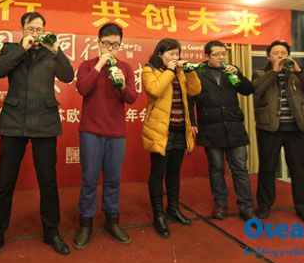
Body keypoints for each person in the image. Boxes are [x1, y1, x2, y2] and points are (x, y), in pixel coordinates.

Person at [0, 12, 75, 263]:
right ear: (22, 29)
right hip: (14, 122)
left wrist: (56, 51)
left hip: (45, 122)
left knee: (48, 181)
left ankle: (52, 232)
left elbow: (68, 76)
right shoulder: (11, 49)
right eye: (31, 28)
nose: (35, 33)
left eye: (39, 29)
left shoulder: (51, 51)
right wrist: (23, 47)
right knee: (5, 181)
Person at [73, 23, 137, 249]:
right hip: (90, 131)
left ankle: (112, 221)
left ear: (120, 45)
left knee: (113, 179)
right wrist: (100, 64)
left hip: (116, 132)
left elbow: (132, 98)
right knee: (89, 179)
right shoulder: (87, 65)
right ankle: (86, 223)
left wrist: (121, 83)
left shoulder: (125, 68)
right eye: (106, 43)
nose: (111, 48)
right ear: (98, 42)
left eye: (115, 44)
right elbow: (82, 89)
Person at [252, 40, 304, 226]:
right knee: (267, 168)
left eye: (283, 53)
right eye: (276, 53)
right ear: (269, 56)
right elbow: (256, 89)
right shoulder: (260, 73)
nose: (280, 56)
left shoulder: (297, 73)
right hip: (270, 128)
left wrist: (299, 70)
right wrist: (274, 71)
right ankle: (265, 205)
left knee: (298, 169)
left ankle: (302, 207)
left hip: (296, 128)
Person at [190, 40, 256, 223]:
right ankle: (220, 204)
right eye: (217, 54)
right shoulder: (198, 72)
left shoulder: (231, 70)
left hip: (234, 127)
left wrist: (238, 75)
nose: (221, 57)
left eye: (223, 54)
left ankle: (246, 206)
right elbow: (190, 98)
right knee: (217, 168)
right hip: (211, 128)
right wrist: (192, 122)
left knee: (240, 168)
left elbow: (248, 90)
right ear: (207, 56)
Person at [141, 38, 201, 238]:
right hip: (161, 131)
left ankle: (173, 209)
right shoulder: (149, 70)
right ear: (160, 55)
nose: (175, 57)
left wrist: (189, 71)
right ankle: (158, 214)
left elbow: (195, 90)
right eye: (171, 54)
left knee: (174, 172)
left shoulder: (180, 72)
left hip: (180, 129)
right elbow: (154, 91)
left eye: (177, 53)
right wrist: (169, 70)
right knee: (158, 172)